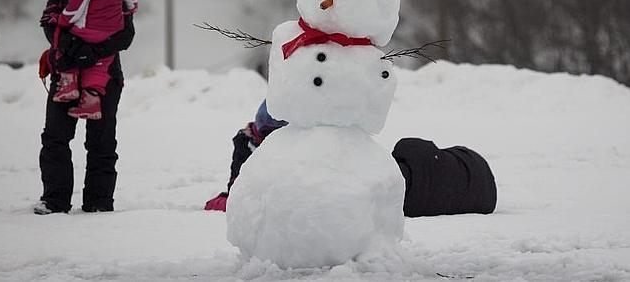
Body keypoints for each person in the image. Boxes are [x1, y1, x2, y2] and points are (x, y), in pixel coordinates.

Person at [205, 100, 497, 217]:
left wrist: (245, 155)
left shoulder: (343, 187)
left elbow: (242, 202)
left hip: (467, 172)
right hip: (472, 171)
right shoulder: (377, 174)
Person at [34, 0, 136, 215]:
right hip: (66, 68)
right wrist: (72, 48)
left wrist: (91, 52)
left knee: (101, 141)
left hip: (105, 74)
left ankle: (99, 202)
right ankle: (54, 201)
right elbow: (48, 22)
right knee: (55, 137)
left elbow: (126, 34)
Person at [51, 0, 137, 120]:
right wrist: (131, 9)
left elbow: (74, 8)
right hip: (110, 33)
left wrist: (64, 22)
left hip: (86, 32)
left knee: (60, 34)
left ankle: (68, 82)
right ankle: (91, 101)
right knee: (101, 64)